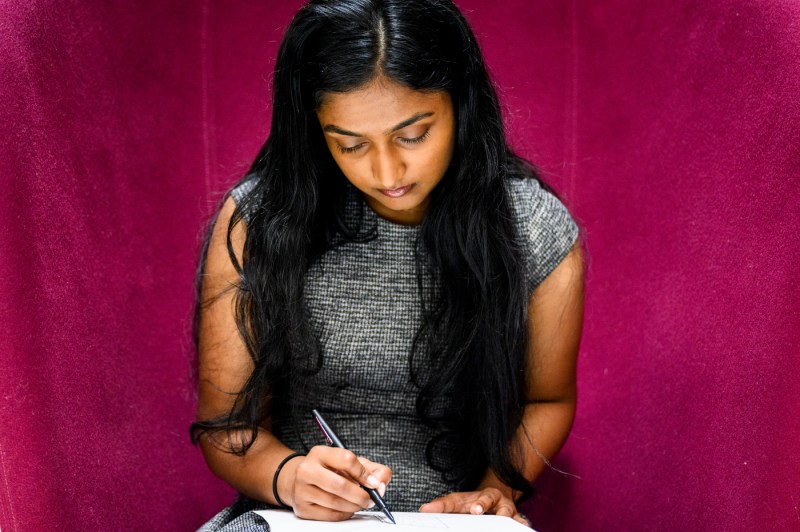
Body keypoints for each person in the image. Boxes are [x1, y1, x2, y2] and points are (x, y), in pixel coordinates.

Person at [190, 0, 585, 529]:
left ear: (461, 107)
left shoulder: (532, 227)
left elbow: (547, 398)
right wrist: (288, 477)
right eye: (350, 145)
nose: (387, 170)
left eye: (413, 135)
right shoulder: (260, 221)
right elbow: (227, 428)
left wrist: (492, 493)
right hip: (294, 519)